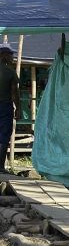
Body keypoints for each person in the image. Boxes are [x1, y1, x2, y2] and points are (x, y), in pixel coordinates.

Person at [0, 44, 19, 173]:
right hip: (5, 107)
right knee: (3, 137)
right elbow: (14, 93)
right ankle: (0, 167)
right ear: (3, 56)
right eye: (11, 54)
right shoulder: (10, 72)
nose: (13, 57)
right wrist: (18, 108)